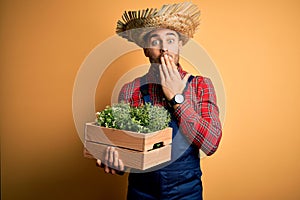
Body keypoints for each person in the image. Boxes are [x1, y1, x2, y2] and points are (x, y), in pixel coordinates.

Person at [96, 2, 222, 199]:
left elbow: (211, 143)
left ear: (180, 45)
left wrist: (176, 98)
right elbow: (126, 154)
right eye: (155, 42)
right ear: (146, 49)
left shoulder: (200, 86)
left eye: (170, 40)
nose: (164, 49)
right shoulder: (130, 89)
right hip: (142, 192)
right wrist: (114, 159)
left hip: (187, 193)